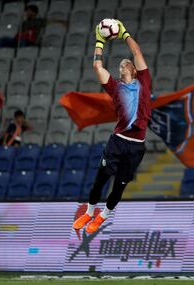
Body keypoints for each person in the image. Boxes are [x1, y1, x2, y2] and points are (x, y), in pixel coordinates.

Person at [73, 20, 151, 234]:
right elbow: (97, 66)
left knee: (120, 186)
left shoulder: (144, 81)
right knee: (100, 180)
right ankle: (89, 212)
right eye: (121, 64)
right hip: (118, 142)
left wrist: (124, 33)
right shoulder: (115, 88)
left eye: (127, 63)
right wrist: (100, 41)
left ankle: (102, 216)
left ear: (134, 70)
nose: (123, 63)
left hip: (136, 146)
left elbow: (136, 51)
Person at [0, 4, 66, 48]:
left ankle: (22, 55)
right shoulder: (24, 23)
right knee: (2, 40)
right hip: (21, 39)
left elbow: (50, 21)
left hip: (30, 41)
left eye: (28, 11)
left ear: (34, 12)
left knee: (22, 42)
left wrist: (61, 22)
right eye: (26, 11)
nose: (26, 13)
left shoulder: (39, 21)